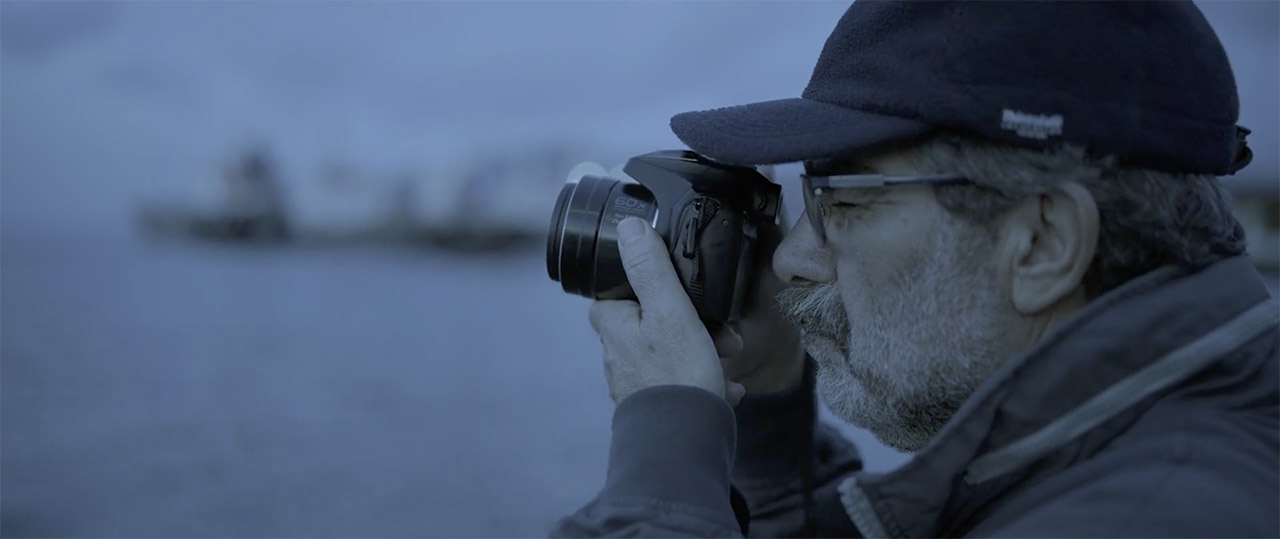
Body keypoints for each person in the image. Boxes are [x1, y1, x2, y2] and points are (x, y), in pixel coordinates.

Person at [551, 2, 1278, 537]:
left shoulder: (1155, 516)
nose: (790, 256)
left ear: (1042, 242)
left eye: (840, 200)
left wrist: (667, 453)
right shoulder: (1117, 452)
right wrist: (764, 420)